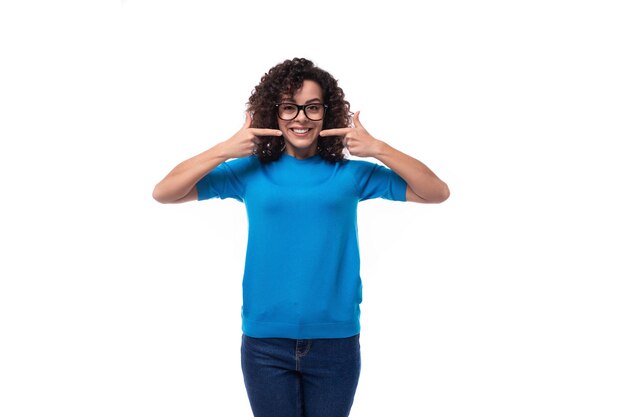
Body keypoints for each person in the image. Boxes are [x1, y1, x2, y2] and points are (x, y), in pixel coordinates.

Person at [152, 57, 449, 417]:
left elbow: (436, 192)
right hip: (265, 343)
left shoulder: (351, 175)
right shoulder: (247, 172)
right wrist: (225, 149)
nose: (301, 118)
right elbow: (165, 192)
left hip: (335, 342)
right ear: (273, 114)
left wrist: (377, 148)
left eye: (312, 107)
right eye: (289, 108)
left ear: (327, 113)